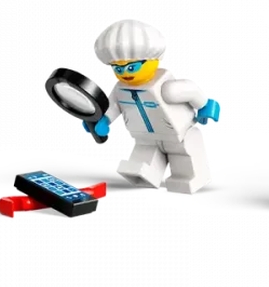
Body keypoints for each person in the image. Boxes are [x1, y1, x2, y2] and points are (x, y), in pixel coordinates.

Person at [90, 19, 220, 193]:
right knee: (142, 166)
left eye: (132, 67)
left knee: (184, 164)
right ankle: (147, 176)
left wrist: (206, 106)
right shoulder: (120, 89)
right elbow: (113, 106)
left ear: (152, 59)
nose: (125, 73)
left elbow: (191, 90)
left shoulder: (167, 87)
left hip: (180, 135)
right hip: (145, 138)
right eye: (118, 69)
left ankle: (188, 178)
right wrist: (103, 120)